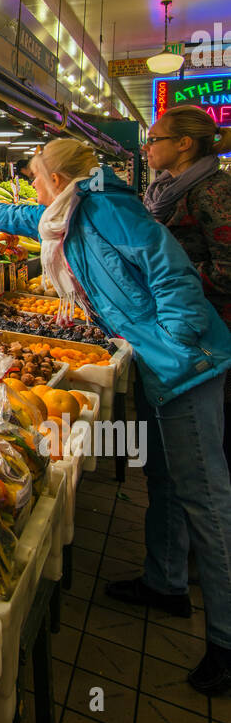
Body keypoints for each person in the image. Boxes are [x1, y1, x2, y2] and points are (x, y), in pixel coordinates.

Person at [0, 137, 231, 696]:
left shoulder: (108, 207)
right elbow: (24, 216)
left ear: (56, 176)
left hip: (185, 366)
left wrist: (171, 346)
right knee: (163, 477)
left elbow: (173, 277)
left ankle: (227, 640)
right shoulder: (74, 208)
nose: (33, 187)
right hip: (156, 360)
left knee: (206, 500)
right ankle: (165, 582)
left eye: (35, 177)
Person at [143, 107, 231, 473]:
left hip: (208, 331)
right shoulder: (165, 190)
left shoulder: (214, 191)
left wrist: (166, 276)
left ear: (184, 144)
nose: (146, 148)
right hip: (175, 325)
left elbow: (227, 270)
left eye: (153, 140)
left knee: (202, 452)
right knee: (171, 458)